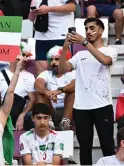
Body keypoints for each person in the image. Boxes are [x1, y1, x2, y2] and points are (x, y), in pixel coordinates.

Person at [58, 17, 117, 165]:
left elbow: (105, 61)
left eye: (92, 28)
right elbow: (62, 69)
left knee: (108, 147)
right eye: (86, 29)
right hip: (81, 108)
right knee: (84, 149)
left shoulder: (110, 50)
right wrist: (65, 46)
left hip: (102, 106)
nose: (88, 32)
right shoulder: (80, 55)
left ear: (101, 31)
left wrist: (84, 42)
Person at [0, 42, 36, 131]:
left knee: (33, 117)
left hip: (22, 113)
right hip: (2, 113)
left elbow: (32, 99)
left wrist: (22, 115)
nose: (25, 59)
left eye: (27, 56)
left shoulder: (29, 76)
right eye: (23, 55)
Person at [28, 0, 75, 76]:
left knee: (63, 71)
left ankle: (62, 88)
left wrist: (49, 9)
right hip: (41, 36)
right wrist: (32, 15)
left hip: (60, 35)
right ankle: (43, 88)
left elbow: (72, 7)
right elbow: (31, 18)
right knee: (40, 71)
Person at [35, 45, 75, 130]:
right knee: (40, 93)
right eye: (51, 59)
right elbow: (37, 84)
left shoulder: (71, 73)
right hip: (51, 110)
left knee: (72, 91)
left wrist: (59, 91)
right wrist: (48, 93)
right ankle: (48, 121)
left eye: (57, 59)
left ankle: (65, 122)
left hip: (69, 111)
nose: (53, 62)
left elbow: (75, 84)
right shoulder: (46, 73)